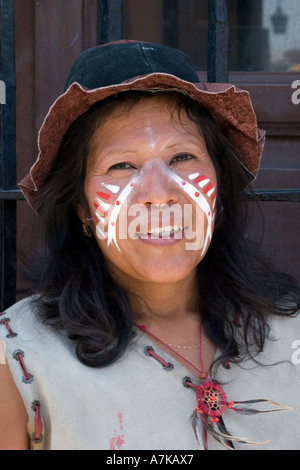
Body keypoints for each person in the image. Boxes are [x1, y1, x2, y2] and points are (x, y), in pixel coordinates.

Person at [0, 40, 299, 451]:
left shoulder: (291, 333)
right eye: (122, 165)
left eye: (182, 158)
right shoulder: (15, 360)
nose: (160, 194)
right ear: (82, 208)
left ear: (220, 187)